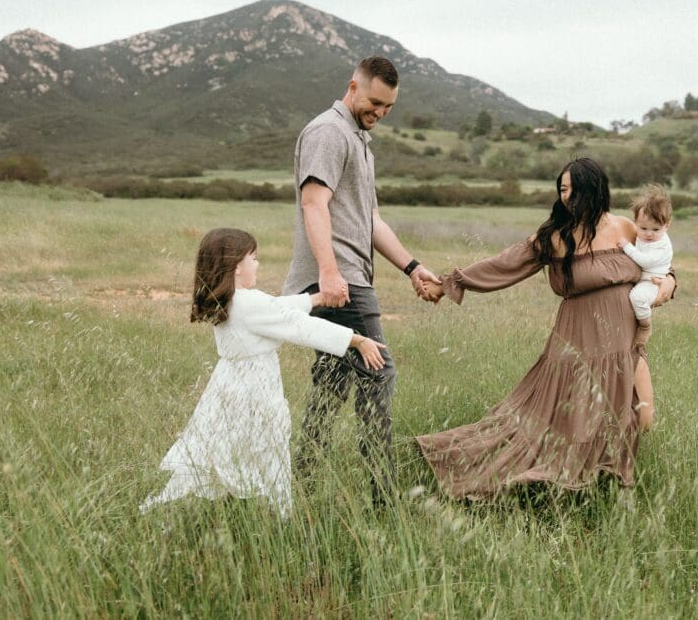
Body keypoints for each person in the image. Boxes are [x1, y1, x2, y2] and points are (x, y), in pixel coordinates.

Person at [416, 158, 675, 500]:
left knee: (641, 416)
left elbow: (660, 263)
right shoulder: (556, 237)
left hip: (624, 346)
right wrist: (451, 283)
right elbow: (506, 263)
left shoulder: (627, 227)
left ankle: (602, 486)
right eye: (561, 190)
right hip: (577, 347)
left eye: (570, 189)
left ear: (592, 189)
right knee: (562, 424)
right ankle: (561, 492)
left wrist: (669, 284)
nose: (565, 197)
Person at [140, 228, 387, 517]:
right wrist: (356, 340)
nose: (258, 264)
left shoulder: (232, 299)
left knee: (225, 450)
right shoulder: (248, 302)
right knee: (269, 450)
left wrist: (315, 299)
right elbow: (298, 326)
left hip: (229, 386)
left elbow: (276, 308)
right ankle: (279, 514)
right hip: (255, 392)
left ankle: (226, 508)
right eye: (253, 258)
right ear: (235, 267)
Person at [282, 57, 441, 505]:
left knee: (332, 384)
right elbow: (314, 204)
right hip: (341, 281)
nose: (380, 112)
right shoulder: (329, 132)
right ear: (352, 86)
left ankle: (304, 483)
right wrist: (330, 274)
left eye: (388, 106)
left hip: (348, 276)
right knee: (378, 373)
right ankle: (383, 498)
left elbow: (369, 220)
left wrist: (412, 267)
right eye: (374, 102)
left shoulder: (360, 140)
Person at [617, 184, 673, 351]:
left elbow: (645, 261)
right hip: (641, 279)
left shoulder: (662, 245)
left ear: (666, 226)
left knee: (638, 298)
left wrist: (627, 247)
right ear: (636, 223)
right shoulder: (642, 235)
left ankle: (645, 325)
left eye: (656, 229)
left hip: (652, 282)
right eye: (643, 228)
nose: (649, 234)